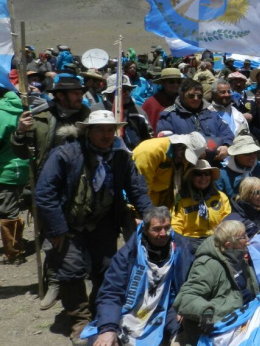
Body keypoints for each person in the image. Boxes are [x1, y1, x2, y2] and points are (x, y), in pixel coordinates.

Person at [35, 110, 154, 344]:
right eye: (100, 129)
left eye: (110, 130)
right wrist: (57, 229)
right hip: (68, 225)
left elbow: (137, 189)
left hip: (103, 223)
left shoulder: (121, 158)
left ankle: (101, 313)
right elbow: (45, 193)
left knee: (107, 269)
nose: (106, 135)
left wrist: (152, 217)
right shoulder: (66, 154)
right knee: (71, 272)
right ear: (88, 131)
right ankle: (79, 319)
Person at [86, 207, 194, 346]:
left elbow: (195, 283)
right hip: (129, 310)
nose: (163, 233)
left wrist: (187, 305)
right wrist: (108, 328)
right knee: (102, 340)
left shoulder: (182, 248)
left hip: (168, 309)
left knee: (187, 337)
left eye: (167, 228)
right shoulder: (128, 255)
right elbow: (111, 293)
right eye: (156, 229)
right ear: (145, 229)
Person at [173, 220, 259, 344]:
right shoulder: (208, 265)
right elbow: (186, 297)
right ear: (229, 245)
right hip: (218, 332)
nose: (248, 240)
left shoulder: (240, 258)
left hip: (243, 321)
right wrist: (205, 312)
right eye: (243, 237)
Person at [157, 78, 234, 163]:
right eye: (191, 96)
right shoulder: (169, 115)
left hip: (213, 163)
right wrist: (192, 150)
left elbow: (227, 133)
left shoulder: (211, 113)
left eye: (199, 96)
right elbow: (164, 140)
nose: (196, 99)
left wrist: (226, 145)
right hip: (184, 164)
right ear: (182, 94)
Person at [171, 159, 232, 254]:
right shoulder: (181, 199)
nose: (203, 177)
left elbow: (228, 222)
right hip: (190, 242)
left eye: (207, 173)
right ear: (191, 177)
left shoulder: (220, 197)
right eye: (198, 174)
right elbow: (176, 227)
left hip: (216, 240)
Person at [133, 132, 207, 208]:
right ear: (180, 146)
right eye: (185, 156)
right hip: (142, 205)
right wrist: (146, 212)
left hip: (161, 204)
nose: (184, 161)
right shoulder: (150, 152)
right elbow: (140, 190)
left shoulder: (181, 157)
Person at [0, 89, 30, 263]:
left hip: (5, 169)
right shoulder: (23, 107)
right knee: (12, 207)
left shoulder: (1, 112)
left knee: (7, 211)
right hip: (23, 165)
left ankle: (14, 252)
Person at [92, 74, 153, 150]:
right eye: (122, 90)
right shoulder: (96, 111)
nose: (126, 93)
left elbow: (148, 138)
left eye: (129, 90)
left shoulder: (139, 113)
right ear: (111, 93)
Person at [143, 68, 183, 134]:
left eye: (178, 82)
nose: (176, 84)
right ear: (163, 83)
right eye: (171, 82)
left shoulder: (184, 101)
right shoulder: (151, 103)